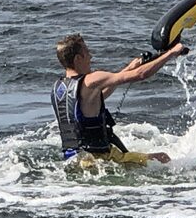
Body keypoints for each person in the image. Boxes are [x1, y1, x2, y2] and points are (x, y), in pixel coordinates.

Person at [50, 33, 187, 167]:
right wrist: (171, 53)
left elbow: (96, 99)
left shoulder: (58, 88)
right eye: (87, 53)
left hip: (74, 160)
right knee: (162, 158)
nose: (91, 56)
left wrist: (129, 68)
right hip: (100, 160)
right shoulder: (91, 79)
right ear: (77, 59)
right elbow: (141, 74)